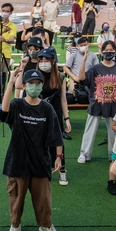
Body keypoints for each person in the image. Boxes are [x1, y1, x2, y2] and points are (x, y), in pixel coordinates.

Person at [1, 68, 64, 231]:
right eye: (31, 83)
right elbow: (3, 112)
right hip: (17, 162)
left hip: (40, 162)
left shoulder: (47, 109)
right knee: (16, 198)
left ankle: (46, 225)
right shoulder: (17, 105)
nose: (34, 87)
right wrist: (10, 82)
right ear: (24, 86)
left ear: (42, 86)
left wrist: (59, 157)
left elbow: (56, 134)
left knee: (44, 199)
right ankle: (15, 225)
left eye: (38, 84)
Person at [77, 40, 116, 164]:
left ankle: (114, 154)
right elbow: (81, 79)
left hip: (113, 104)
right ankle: (84, 153)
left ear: (115, 51)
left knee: (114, 131)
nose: (109, 52)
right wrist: (84, 61)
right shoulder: (95, 68)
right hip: (96, 103)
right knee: (90, 130)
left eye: (111, 50)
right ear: (101, 51)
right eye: (106, 50)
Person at [33, 47, 72, 182]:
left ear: (53, 60)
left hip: (55, 115)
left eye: (46, 60)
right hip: (39, 114)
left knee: (58, 142)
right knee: (39, 142)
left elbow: (63, 99)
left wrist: (67, 118)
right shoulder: (36, 76)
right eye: (41, 60)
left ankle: (62, 169)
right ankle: (42, 169)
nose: (43, 62)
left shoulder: (60, 77)